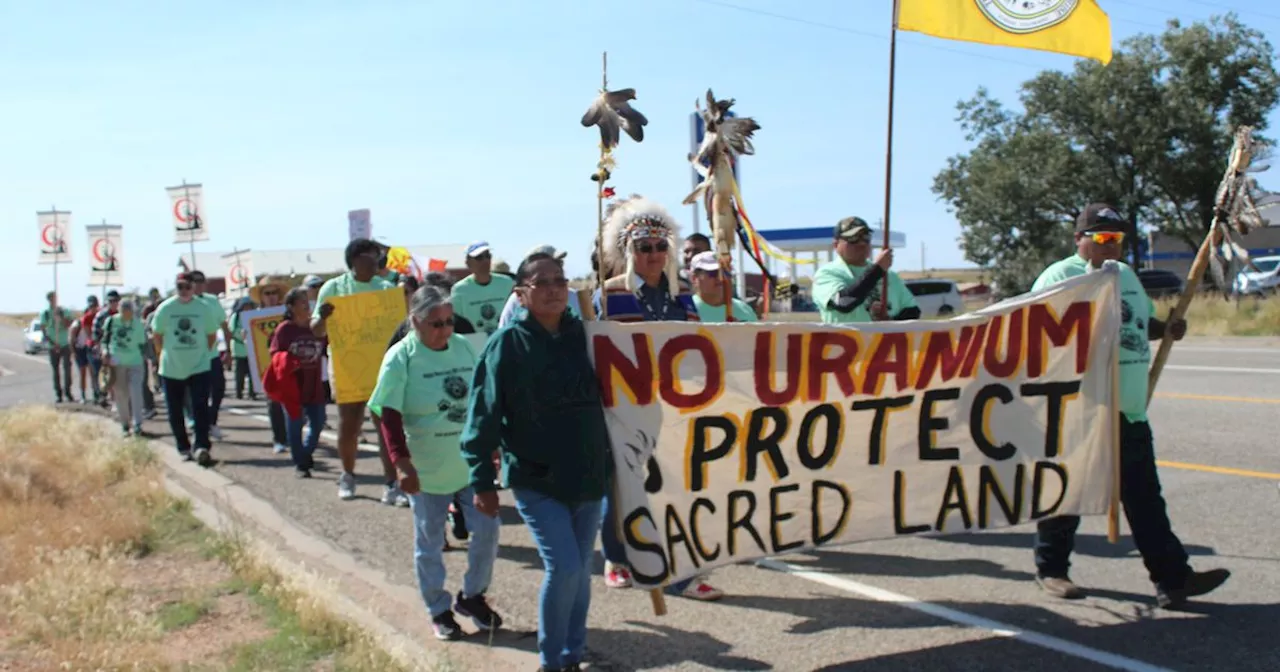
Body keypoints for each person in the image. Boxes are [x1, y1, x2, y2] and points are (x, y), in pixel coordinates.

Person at [1029, 203, 1230, 609]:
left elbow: (1139, 324)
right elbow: (1036, 335)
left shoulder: (1125, 276)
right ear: (1079, 240)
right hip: (1082, 409)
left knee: (1145, 498)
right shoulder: (1060, 277)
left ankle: (1173, 580)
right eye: (1102, 238)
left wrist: (1165, 329)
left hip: (1129, 409)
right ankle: (1052, 569)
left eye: (1118, 238)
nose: (1112, 246)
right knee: (1069, 493)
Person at [461, 255, 611, 671]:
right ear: (521, 293)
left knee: (580, 573)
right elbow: (482, 416)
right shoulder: (506, 345)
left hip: (589, 476)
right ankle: (550, 662)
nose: (554, 288)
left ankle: (573, 656)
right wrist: (482, 482)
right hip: (536, 479)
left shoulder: (588, 336)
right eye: (541, 282)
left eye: (560, 280)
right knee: (563, 567)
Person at [592, 195, 722, 601]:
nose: (653, 254)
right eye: (644, 247)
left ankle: (682, 569)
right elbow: (596, 352)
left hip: (673, 410)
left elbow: (700, 351)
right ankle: (617, 558)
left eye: (661, 245)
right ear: (628, 251)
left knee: (674, 490)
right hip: (624, 410)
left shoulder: (682, 297)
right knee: (623, 488)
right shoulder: (609, 295)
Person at [372, 285, 503, 641]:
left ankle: (473, 596)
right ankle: (438, 609)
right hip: (426, 468)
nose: (445, 330)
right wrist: (401, 463)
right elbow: (389, 413)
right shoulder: (402, 357)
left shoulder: (463, 347)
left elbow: (482, 400)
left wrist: (491, 446)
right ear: (415, 321)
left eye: (448, 322)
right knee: (429, 542)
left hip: (468, 464)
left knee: (488, 531)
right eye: (435, 324)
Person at [311, 237, 400, 502]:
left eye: (378, 257)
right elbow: (316, 330)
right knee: (349, 425)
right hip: (348, 369)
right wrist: (324, 317)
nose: (376, 262)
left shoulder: (385, 288)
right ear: (355, 260)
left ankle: (391, 482)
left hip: (380, 369)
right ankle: (348, 475)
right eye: (371, 256)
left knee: (385, 427)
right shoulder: (334, 288)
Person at [152, 272, 220, 466]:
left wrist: (203, 354)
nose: (183, 291)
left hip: (199, 365)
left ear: (193, 288)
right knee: (175, 410)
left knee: (200, 407)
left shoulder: (204, 308)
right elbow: (157, 334)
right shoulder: (165, 308)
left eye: (187, 287)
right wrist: (161, 355)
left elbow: (211, 334)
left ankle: (201, 446)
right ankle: (183, 446)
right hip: (172, 367)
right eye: (179, 286)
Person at [811, 216, 920, 324]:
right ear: (836, 245)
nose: (862, 243)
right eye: (853, 238)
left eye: (866, 237)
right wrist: (877, 270)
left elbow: (912, 311)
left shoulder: (889, 275)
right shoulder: (827, 274)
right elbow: (844, 302)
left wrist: (889, 322)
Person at [267, 288, 327, 478]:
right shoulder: (284, 329)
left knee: (318, 422)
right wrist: (288, 361)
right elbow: (275, 354)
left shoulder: (316, 327)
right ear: (291, 307)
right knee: (295, 424)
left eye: (308, 300)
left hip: (314, 384)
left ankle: (306, 453)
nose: (306, 304)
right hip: (293, 386)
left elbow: (329, 347)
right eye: (302, 301)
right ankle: (300, 464)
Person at [249, 276, 292, 454]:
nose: (272, 296)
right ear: (261, 296)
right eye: (268, 293)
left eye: (275, 293)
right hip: (268, 367)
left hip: (290, 365)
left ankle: (293, 436)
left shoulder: (288, 314)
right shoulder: (252, 319)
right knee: (274, 403)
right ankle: (280, 439)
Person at [187, 270, 232, 440]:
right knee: (197, 393)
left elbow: (224, 325)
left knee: (219, 388)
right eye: (194, 281)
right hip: (191, 357)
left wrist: (228, 350)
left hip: (212, 354)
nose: (198, 285)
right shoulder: (185, 303)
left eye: (201, 281)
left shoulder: (212, 301)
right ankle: (197, 424)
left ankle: (211, 421)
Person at [496, 245, 583, 329]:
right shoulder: (510, 336)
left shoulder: (574, 296)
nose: (553, 289)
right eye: (542, 283)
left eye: (560, 262)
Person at [450, 241, 516, 337]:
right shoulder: (459, 290)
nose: (485, 261)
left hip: (504, 339)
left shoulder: (507, 283)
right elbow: (457, 323)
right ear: (468, 263)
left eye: (488, 256)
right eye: (479, 257)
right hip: (474, 342)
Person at [102, 299, 148, 436]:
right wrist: (105, 351)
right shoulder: (111, 321)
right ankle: (125, 424)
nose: (126, 314)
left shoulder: (138, 324)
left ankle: (138, 423)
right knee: (121, 393)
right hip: (116, 361)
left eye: (128, 312)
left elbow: (142, 343)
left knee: (136, 391)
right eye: (123, 311)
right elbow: (105, 340)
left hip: (135, 361)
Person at [688, 251, 758, 322]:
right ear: (694, 278)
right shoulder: (687, 311)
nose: (720, 278)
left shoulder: (745, 310)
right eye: (713, 273)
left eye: (724, 272)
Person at [302, 274, 333, 406]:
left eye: (320, 285)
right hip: (309, 347)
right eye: (314, 286)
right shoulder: (302, 306)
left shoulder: (328, 302)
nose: (318, 289)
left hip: (325, 345)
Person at [39, 291, 75, 403]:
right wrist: (53, 344)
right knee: (56, 370)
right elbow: (44, 330)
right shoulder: (45, 313)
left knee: (67, 368)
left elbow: (69, 325)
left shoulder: (63, 310)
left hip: (64, 343)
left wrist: (61, 317)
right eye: (51, 298)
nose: (53, 300)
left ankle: (68, 391)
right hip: (53, 345)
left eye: (54, 298)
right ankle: (58, 393)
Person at [92, 290, 122, 408]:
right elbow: (96, 334)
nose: (113, 303)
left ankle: (115, 400)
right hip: (108, 351)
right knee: (111, 375)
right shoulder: (101, 316)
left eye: (115, 300)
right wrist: (101, 349)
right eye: (111, 301)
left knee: (119, 375)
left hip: (122, 350)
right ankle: (106, 397)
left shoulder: (124, 315)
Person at [75, 295, 102, 404]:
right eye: (91, 306)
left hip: (101, 345)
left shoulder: (100, 315)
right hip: (90, 347)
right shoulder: (86, 318)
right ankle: (85, 394)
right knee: (88, 372)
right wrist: (95, 343)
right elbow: (88, 334)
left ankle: (99, 393)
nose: (93, 308)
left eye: (95, 305)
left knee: (98, 372)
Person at [230, 297, 258, 401]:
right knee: (239, 374)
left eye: (249, 306)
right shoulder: (236, 317)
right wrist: (242, 336)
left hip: (252, 350)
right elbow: (232, 330)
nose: (248, 308)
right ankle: (239, 392)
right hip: (239, 349)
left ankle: (252, 392)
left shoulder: (254, 315)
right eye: (245, 306)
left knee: (252, 373)